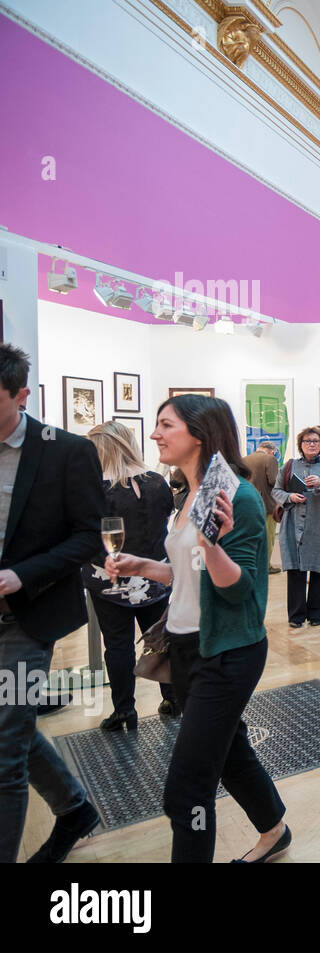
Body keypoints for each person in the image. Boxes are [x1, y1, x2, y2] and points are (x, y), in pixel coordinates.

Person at [108, 394, 289, 863]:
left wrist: (212, 547)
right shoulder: (192, 493)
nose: (154, 435)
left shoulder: (239, 498)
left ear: (200, 433)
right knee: (230, 753)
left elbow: (239, 589)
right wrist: (145, 565)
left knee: (186, 792)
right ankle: (275, 830)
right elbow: (188, 573)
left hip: (227, 653)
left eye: (166, 425)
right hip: (186, 649)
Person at [0, 343, 105, 864]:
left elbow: (89, 538)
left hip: (28, 616)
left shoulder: (65, 451)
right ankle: (73, 808)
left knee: (3, 754)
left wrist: (19, 576)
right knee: (10, 728)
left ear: (22, 396)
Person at [84, 421, 179, 727]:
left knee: (118, 645)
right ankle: (172, 697)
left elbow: (86, 536)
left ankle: (125, 708)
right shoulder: (156, 481)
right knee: (160, 638)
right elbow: (167, 520)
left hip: (109, 579)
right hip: (155, 575)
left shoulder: (96, 488)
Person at [272, 426, 320, 628]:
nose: (311, 444)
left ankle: (317, 614)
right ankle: (296, 616)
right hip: (294, 525)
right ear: (300, 445)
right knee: (296, 570)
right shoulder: (289, 466)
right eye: (307, 441)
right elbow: (276, 491)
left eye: (315, 441)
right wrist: (289, 496)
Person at [241, 440, 282, 574]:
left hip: (247, 504)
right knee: (268, 537)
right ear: (272, 451)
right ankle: (265, 566)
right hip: (266, 505)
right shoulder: (270, 459)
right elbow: (273, 481)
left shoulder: (244, 459)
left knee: (251, 537)